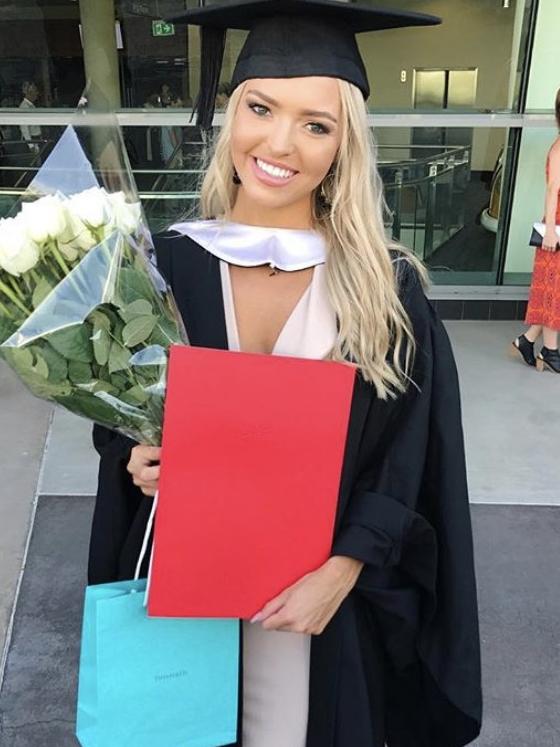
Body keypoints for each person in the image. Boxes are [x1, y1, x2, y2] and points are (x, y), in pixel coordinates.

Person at [88, 2, 482, 745]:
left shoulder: (382, 287)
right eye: (262, 108)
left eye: (316, 123)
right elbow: (118, 413)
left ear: (345, 146)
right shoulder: (164, 266)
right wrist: (132, 454)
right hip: (187, 592)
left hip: (315, 608)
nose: (280, 143)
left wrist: (341, 572)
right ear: (231, 114)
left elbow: (411, 458)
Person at [512, 87, 560, 373]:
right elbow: (553, 188)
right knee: (554, 290)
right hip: (556, 227)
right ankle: (550, 352)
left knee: (554, 289)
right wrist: (552, 231)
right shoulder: (559, 147)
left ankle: (528, 341)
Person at [19, 81, 41, 151]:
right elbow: (24, 128)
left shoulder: (31, 105)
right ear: (29, 93)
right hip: (32, 140)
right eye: (35, 91)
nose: (37, 93)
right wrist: (30, 145)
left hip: (36, 139)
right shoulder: (24, 107)